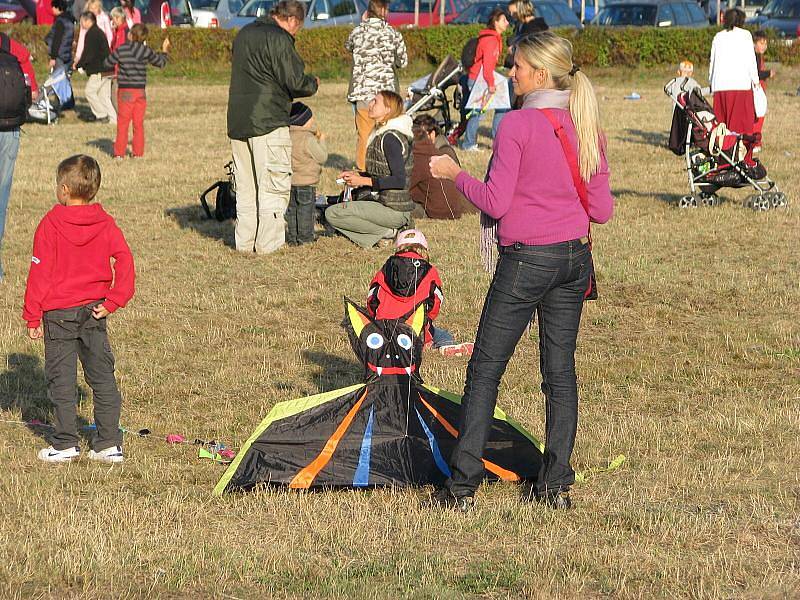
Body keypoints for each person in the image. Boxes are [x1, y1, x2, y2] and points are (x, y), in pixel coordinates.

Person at [428, 32, 614, 510]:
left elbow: (494, 200)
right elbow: (603, 209)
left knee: (486, 369)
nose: (511, 75)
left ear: (539, 73)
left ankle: (462, 486)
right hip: (573, 260)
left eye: (516, 67)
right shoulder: (585, 123)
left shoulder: (517, 125)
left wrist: (454, 175)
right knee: (560, 374)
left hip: (526, 259)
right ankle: (555, 486)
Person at [23, 154, 135, 464]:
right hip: (95, 312)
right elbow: (125, 258)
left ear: (63, 189)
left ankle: (65, 443)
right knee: (102, 377)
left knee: (62, 380)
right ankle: (109, 443)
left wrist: (32, 314)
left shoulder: (50, 223)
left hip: (59, 314)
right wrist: (115, 299)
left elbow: (39, 272)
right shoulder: (106, 222)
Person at [227, 0, 318, 254]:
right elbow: (295, 81)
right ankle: (268, 247)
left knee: (246, 187)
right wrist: (313, 83)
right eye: (297, 28)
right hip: (268, 121)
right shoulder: (279, 38)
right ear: (292, 20)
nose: (296, 33)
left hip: (238, 121)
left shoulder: (244, 34)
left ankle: (244, 243)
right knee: (272, 185)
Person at [326, 90, 414, 249]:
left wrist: (363, 180)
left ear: (387, 109)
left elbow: (399, 180)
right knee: (339, 208)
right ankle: (386, 231)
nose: (370, 104)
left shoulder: (390, 138)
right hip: (385, 202)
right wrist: (357, 175)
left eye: (375, 102)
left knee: (332, 213)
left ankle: (388, 231)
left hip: (395, 209)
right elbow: (382, 174)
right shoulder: (382, 134)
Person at [366, 228, 473, 356]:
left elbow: (372, 300)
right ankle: (445, 345)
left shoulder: (384, 269)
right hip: (414, 331)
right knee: (443, 334)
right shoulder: (430, 271)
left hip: (383, 331)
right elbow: (435, 304)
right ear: (424, 249)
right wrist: (426, 319)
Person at [345, 0, 408, 171]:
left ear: (368, 11)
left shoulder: (357, 32)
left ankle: (363, 171)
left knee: (364, 135)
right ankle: (389, 169)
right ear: (385, 11)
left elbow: (348, 46)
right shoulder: (393, 33)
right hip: (387, 96)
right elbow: (403, 62)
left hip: (363, 92)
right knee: (389, 133)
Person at [0, 33, 38, 282]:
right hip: (9, 126)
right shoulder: (8, 44)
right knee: (1, 196)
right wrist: (31, 89)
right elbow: (31, 90)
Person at [104, 24, 169, 158]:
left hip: (125, 91)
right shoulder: (145, 51)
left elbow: (107, 63)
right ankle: (138, 153)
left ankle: (119, 154)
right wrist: (164, 50)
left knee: (123, 123)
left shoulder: (122, 49)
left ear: (131, 35)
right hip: (140, 91)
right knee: (138, 124)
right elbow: (161, 63)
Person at [709, 8, 760, 168]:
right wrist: (756, 80)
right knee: (743, 125)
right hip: (740, 85)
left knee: (722, 125)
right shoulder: (745, 35)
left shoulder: (718, 37)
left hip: (720, 86)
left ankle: (723, 159)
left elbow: (713, 62)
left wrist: (711, 82)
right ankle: (745, 158)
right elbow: (751, 60)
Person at [460, 7, 510, 152]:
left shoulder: (490, 38)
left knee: (495, 108)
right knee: (478, 113)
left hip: (477, 78)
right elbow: (487, 66)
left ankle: (491, 141)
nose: (507, 23)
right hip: (479, 81)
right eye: (504, 20)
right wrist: (491, 84)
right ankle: (469, 144)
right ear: (496, 22)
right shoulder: (491, 41)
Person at [409, 115, 474, 220]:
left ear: (433, 134)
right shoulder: (432, 150)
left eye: (421, 134)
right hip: (449, 207)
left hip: (442, 209)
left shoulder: (443, 152)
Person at [287, 102, 328, 246]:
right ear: (304, 121)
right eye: (311, 118)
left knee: (291, 210)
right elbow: (322, 157)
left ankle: (292, 237)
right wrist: (322, 141)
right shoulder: (308, 139)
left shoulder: (287, 136)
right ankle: (305, 238)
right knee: (306, 211)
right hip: (306, 183)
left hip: (290, 181)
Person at [76, 12, 116, 125]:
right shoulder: (98, 32)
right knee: (103, 96)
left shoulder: (92, 34)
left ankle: (101, 115)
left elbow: (89, 54)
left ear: (88, 21)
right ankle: (114, 120)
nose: (81, 24)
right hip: (108, 68)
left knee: (89, 91)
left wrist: (78, 64)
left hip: (100, 70)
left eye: (82, 21)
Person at [74, 0, 114, 69]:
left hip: (102, 48)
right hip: (89, 48)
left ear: (99, 8)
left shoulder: (104, 18)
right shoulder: (85, 20)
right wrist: (78, 56)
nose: (93, 10)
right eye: (91, 8)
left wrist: (108, 47)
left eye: (95, 8)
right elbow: (81, 38)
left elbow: (109, 35)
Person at [753, 30, 773, 153]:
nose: (764, 46)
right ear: (754, 43)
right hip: (755, 89)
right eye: (761, 43)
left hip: (759, 89)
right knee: (758, 115)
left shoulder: (759, 56)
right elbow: (756, 74)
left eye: (765, 43)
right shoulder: (753, 56)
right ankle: (755, 141)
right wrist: (768, 73)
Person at [44, 0, 75, 72]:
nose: (52, 9)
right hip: (67, 53)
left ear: (58, 8)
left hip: (59, 55)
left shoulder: (60, 22)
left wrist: (53, 57)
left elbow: (56, 40)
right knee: (64, 75)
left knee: (58, 77)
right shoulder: (70, 20)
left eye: (53, 7)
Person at [108, 6, 128, 114]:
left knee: (115, 96)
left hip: (120, 70)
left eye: (115, 18)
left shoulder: (123, 32)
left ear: (120, 18)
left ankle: (121, 116)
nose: (113, 20)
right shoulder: (117, 32)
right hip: (116, 69)